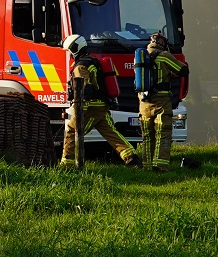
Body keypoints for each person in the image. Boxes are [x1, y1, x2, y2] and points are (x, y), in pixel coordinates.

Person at [61, 35, 140, 167]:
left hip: (90, 107)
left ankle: (67, 164)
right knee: (111, 133)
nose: (69, 55)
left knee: (72, 131)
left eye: (69, 51)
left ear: (74, 49)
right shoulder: (93, 61)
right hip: (102, 106)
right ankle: (131, 158)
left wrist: (77, 101)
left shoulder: (81, 66)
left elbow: (84, 89)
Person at [136, 31, 186, 172]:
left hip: (144, 103)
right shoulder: (164, 56)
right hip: (161, 101)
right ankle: (161, 165)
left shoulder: (140, 57)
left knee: (147, 135)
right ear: (162, 42)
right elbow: (183, 71)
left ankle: (146, 166)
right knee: (163, 132)